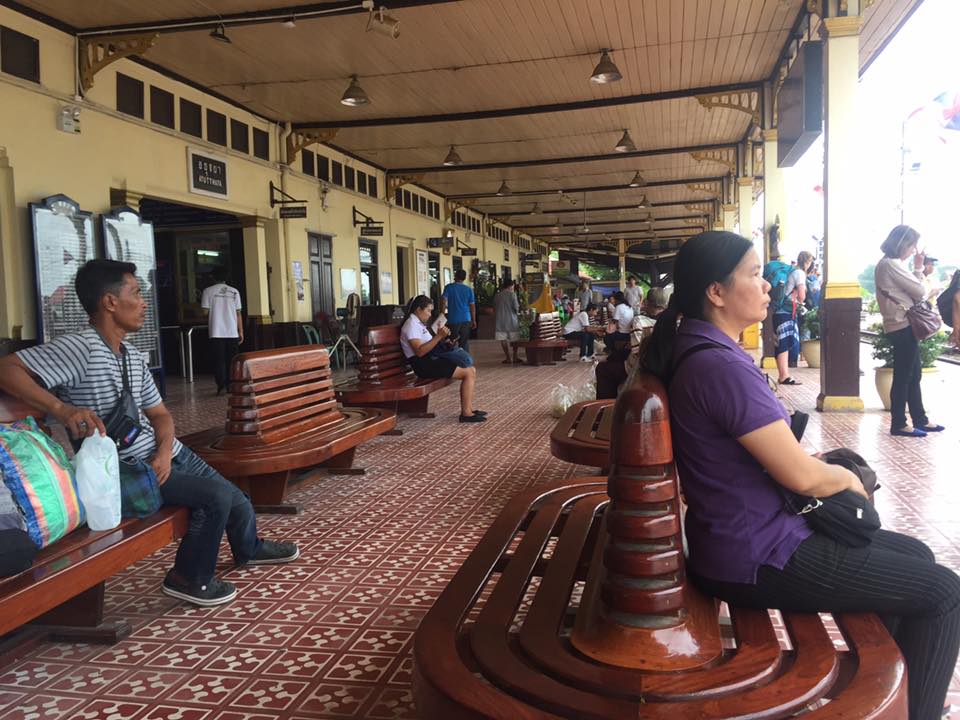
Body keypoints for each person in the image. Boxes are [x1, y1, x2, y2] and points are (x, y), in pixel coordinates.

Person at [640, 231, 960, 720]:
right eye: (755, 274)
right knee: (944, 594)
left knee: (915, 556)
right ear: (716, 292)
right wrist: (851, 482)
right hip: (759, 555)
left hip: (738, 538)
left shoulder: (699, 349)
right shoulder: (719, 367)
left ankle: (897, 692)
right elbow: (801, 477)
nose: (768, 286)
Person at [0, 260, 298, 607]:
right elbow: (7, 369)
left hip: (161, 455)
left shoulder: (131, 355)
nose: (144, 303)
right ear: (110, 302)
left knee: (236, 497)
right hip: (125, 470)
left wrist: (164, 451)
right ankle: (188, 578)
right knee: (215, 498)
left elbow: (160, 415)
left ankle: (249, 548)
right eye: (136, 293)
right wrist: (61, 409)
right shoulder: (80, 347)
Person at [875, 225, 944, 438]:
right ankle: (899, 423)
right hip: (902, 324)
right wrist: (918, 269)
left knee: (914, 374)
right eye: (912, 245)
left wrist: (916, 269)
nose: (914, 250)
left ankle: (920, 418)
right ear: (903, 244)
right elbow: (920, 291)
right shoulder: (891, 264)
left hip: (902, 325)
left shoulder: (887, 264)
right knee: (905, 376)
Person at [400, 295, 485, 423]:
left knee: (471, 369)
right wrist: (438, 337)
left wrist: (444, 340)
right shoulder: (411, 325)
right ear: (418, 309)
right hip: (423, 365)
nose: (429, 314)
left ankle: (469, 409)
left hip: (430, 360)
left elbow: (430, 344)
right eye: (428, 310)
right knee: (468, 373)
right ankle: (466, 414)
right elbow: (419, 352)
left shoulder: (418, 323)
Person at [201, 271, 243, 396]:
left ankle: (222, 386)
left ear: (213, 277)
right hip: (232, 332)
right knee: (232, 361)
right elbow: (238, 313)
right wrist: (241, 331)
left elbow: (204, 312)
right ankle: (232, 385)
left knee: (219, 360)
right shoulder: (234, 292)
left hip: (216, 331)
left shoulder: (207, 291)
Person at [773, 251, 812, 385]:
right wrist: (804, 293)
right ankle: (784, 376)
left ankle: (783, 374)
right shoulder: (800, 273)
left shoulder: (792, 271)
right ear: (808, 262)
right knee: (784, 342)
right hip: (787, 312)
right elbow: (801, 296)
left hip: (779, 310)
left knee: (782, 341)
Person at [441, 269, 476, 354]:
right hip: (466, 319)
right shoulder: (468, 290)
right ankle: (465, 362)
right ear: (464, 278)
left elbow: (443, 302)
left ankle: (452, 363)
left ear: (455, 276)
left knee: (452, 341)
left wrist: (442, 315)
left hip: (453, 319)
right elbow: (472, 306)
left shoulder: (448, 287)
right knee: (464, 342)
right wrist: (473, 320)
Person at [494, 279, 521, 364]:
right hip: (512, 321)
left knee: (503, 339)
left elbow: (495, 307)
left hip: (500, 320)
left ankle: (508, 357)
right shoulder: (513, 295)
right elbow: (516, 308)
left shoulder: (497, 295)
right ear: (511, 286)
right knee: (515, 339)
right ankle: (515, 356)